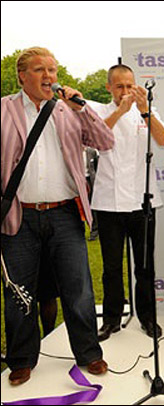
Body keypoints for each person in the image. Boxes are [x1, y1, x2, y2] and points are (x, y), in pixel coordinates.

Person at [1, 47, 114, 385]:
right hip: (19, 216)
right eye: (40, 70)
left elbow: (105, 141)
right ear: (22, 76)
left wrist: (83, 108)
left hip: (64, 213)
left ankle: (89, 353)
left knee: (78, 289)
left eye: (53, 70)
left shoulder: (68, 109)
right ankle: (21, 359)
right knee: (19, 291)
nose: (49, 76)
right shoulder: (4, 109)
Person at [90, 64, 164, 341]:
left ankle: (147, 316)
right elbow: (96, 140)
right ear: (109, 88)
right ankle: (111, 319)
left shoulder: (146, 110)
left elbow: (163, 139)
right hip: (109, 201)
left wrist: (144, 110)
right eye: (119, 86)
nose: (125, 92)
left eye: (129, 86)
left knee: (145, 265)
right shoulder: (99, 111)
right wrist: (120, 111)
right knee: (112, 266)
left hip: (142, 200)